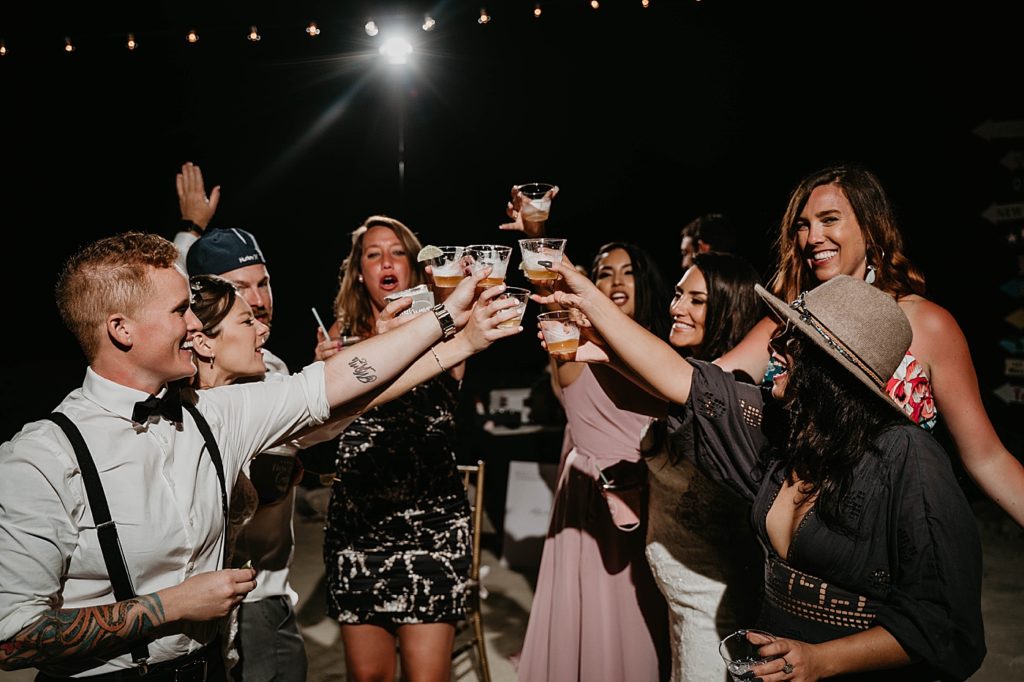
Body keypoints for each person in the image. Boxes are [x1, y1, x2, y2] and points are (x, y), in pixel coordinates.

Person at [0, 230, 519, 679]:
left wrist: (452, 322)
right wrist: (172, 606)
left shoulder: (215, 414)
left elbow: (335, 382)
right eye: (181, 311)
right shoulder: (41, 458)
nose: (195, 326)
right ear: (121, 329)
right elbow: (12, 638)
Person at [535, 260, 986, 681]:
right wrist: (600, 344)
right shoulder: (784, 430)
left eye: (795, 340)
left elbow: (944, 621)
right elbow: (685, 385)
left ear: (832, 368)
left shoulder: (908, 456)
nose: (775, 345)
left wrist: (820, 660)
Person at [716, 163, 1024, 527]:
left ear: (870, 226)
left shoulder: (926, 324)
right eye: (803, 225)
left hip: (885, 538)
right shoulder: (787, 322)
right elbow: (703, 382)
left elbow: (987, 457)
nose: (813, 236)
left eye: (829, 219)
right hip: (792, 532)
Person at [313, 215, 501, 682]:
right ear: (359, 272)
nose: (386, 262)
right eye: (372, 254)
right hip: (358, 528)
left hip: (431, 527)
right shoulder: (335, 339)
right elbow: (319, 430)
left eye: (397, 251)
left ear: (415, 267)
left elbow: (459, 355)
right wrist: (322, 373)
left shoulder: (445, 325)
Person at [516, 242, 671, 682]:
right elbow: (545, 276)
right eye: (605, 272)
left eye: (628, 272)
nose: (617, 281)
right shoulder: (570, 343)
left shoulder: (661, 349)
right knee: (596, 621)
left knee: (645, 625)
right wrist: (535, 228)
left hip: (652, 497)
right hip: (592, 495)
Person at [184, 222, 303, 681]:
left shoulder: (269, 364)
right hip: (212, 603)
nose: (258, 300)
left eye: (263, 283)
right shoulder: (174, 392)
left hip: (264, 592)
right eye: (240, 290)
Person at [641, 251, 764, 681]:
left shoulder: (725, 397)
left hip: (714, 607)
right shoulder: (682, 376)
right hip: (682, 599)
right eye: (678, 295)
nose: (677, 308)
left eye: (697, 300)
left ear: (730, 309)